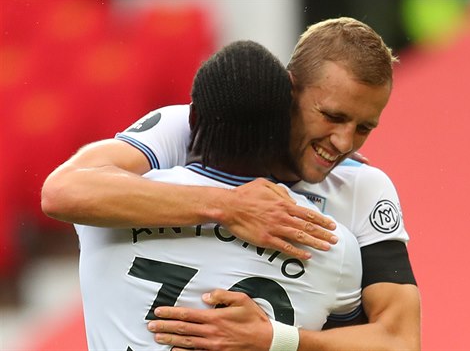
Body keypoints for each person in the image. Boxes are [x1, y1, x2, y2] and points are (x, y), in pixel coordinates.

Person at [42, 17, 421, 350]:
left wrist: (277, 340)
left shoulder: (361, 188)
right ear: (289, 91)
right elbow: (63, 191)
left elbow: (400, 340)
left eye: (363, 128)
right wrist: (228, 206)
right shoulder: (190, 128)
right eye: (332, 116)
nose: (343, 142)